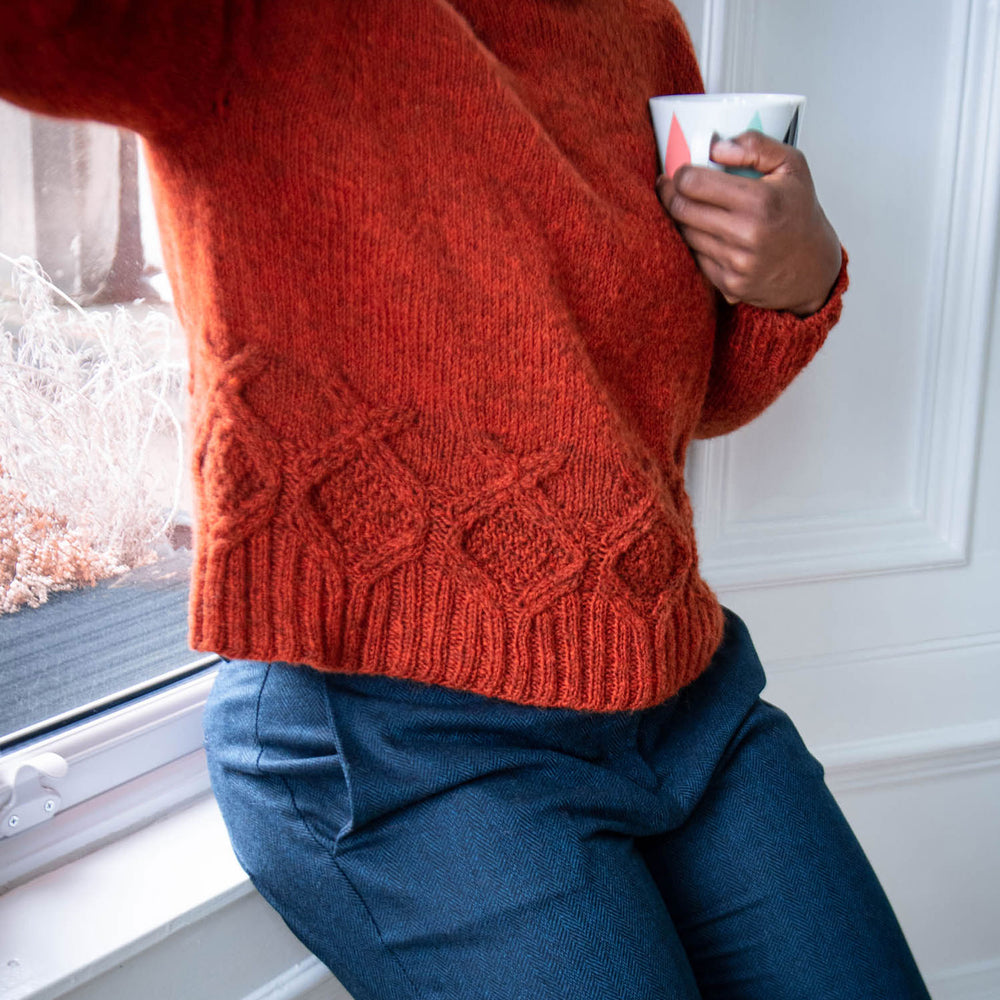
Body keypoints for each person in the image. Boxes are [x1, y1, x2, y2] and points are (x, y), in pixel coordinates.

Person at [1, 3, 932, 997]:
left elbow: (678, 397)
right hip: (398, 737)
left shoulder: (636, 25)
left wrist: (798, 276)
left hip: (685, 695)